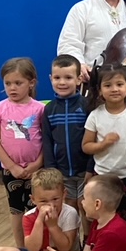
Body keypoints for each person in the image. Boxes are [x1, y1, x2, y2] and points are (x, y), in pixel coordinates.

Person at [82, 64, 126, 231]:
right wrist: (103, 143)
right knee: (102, 220)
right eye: (108, 85)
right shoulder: (95, 116)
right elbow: (86, 146)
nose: (114, 89)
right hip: (103, 177)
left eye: (119, 84)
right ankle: (103, 247)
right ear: (99, 90)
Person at [0, 57, 46, 247]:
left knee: (36, 210)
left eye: (18, 83)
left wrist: (36, 164)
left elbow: (46, 141)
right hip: (10, 171)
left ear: (31, 83)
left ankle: (38, 247)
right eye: (8, 83)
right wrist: (12, 166)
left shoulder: (40, 109)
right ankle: (21, 248)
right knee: (16, 211)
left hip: (36, 171)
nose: (12, 88)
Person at [42, 55, 91, 234]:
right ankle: (71, 244)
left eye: (68, 77)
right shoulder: (49, 109)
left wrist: (91, 168)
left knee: (86, 207)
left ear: (79, 79)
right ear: (51, 79)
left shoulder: (86, 106)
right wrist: (51, 169)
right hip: (61, 172)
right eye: (57, 77)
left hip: (85, 171)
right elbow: (47, 140)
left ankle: (89, 241)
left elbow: (93, 139)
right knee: (69, 208)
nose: (62, 82)